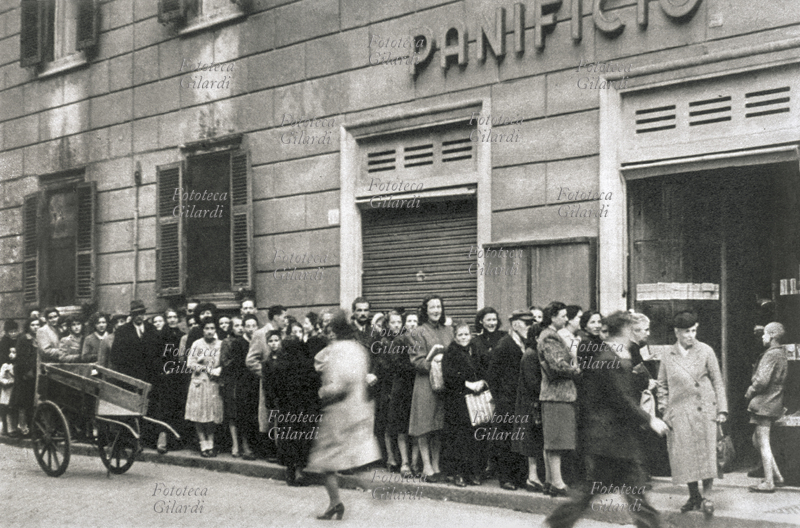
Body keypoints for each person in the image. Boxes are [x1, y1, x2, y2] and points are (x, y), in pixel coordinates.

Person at [545, 311, 670, 528]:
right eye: (632, 329)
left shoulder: (611, 356)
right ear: (624, 331)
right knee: (630, 492)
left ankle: (555, 524)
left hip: (608, 440)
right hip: (613, 440)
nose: (635, 334)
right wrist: (650, 419)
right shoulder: (611, 360)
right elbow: (621, 399)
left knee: (598, 492)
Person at [306, 310, 381, 520]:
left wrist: (324, 392)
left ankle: (336, 502)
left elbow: (341, 383)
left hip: (339, 412)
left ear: (335, 330)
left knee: (327, 462)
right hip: (359, 408)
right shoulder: (359, 348)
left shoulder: (337, 350)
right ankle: (337, 503)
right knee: (356, 458)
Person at [657, 311, 728, 515]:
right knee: (685, 456)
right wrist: (664, 409)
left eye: (694, 330)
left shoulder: (706, 350)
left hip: (705, 409)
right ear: (677, 332)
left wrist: (722, 409)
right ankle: (693, 495)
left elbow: (717, 381)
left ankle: (707, 497)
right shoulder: (668, 355)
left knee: (706, 454)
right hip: (679, 411)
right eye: (687, 331)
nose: (691, 335)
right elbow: (661, 384)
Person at [538, 301, 581, 496]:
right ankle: (557, 483)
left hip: (556, 395)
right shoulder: (550, 337)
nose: (566, 319)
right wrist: (577, 369)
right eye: (562, 315)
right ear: (553, 316)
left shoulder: (549, 335)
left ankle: (550, 481)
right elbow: (557, 365)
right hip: (558, 395)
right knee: (556, 442)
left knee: (553, 441)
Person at [408, 295, 452, 482]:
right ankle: (426, 466)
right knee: (425, 426)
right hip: (426, 383)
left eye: (439, 307)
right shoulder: (417, 332)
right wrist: (434, 360)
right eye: (432, 307)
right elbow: (416, 362)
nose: (436, 310)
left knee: (439, 426)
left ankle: (436, 465)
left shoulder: (449, 330)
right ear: (425, 310)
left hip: (445, 383)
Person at [488, 309, 533, 490]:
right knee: (505, 439)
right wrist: (500, 398)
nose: (530, 327)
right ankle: (505, 477)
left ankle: (519, 476)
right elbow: (492, 375)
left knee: (519, 438)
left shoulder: (525, 344)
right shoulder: (504, 345)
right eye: (526, 324)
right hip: (506, 400)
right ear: (515, 325)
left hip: (519, 400)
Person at [273, 325, 321, 486]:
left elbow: (274, 388)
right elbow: (315, 385)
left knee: (287, 439)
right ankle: (300, 470)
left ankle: (289, 470)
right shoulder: (307, 364)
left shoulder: (279, 365)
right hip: (304, 408)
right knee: (302, 439)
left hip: (286, 409)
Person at [442, 321, 487, 487]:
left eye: (466, 334)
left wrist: (482, 382)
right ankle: (458, 474)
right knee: (459, 439)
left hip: (476, 399)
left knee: (474, 438)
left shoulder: (475, 349)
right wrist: (467, 384)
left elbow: (484, 367)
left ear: (471, 335)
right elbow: (448, 376)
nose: (463, 338)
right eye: (460, 335)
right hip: (457, 400)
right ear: (454, 336)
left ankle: (473, 473)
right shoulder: (451, 352)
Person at [746, 321, 788, 493]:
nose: (762, 337)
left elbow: (762, 380)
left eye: (764, 334)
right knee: (757, 440)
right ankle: (777, 476)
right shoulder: (781, 354)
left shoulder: (770, 355)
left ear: (771, 336)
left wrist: (750, 390)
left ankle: (769, 482)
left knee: (763, 442)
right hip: (773, 400)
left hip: (764, 402)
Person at [514, 318, 546, 493]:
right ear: (535, 337)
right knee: (531, 441)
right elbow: (533, 383)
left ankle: (534, 477)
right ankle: (532, 478)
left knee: (534, 441)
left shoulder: (533, 353)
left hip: (532, 403)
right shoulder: (531, 355)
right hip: (531, 405)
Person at [388, 310, 421, 477]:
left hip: (419, 387)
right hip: (402, 388)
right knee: (402, 427)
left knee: (417, 428)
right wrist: (417, 365)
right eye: (409, 321)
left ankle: (415, 463)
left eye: (415, 321)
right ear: (404, 324)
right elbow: (396, 364)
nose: (412, 324)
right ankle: (405, 463)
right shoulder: (399, 341)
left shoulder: (421, 340)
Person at [185, 319, 223, 457]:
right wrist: (207, 369)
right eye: (207, 328)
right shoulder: (197, 344)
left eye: (212, 328)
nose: (209, 331)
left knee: (211, 414)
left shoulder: (220, 344)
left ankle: (211, 443)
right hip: (199, 382)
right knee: (199, 413)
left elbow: (225, 360)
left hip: (214, 383)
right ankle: (203, 444)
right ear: (203, 330)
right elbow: (190, 363)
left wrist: (220, 369)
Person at [225, 314, 260, 460]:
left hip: (257, 382)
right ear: (244, 328)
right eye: (248, 326)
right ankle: (245, 446)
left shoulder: (258, 341)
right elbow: (236, 366)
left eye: (254, 326)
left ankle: (257, 446)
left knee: (256, 415)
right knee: (245, 415)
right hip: (243, 384)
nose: (251, 329)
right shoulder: (238, 343)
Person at [154, 308, 187, 454]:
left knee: (177, 407)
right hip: (165, 377)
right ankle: (162, 438)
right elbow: (156, 356)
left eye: (175, 317)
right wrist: (163, 370)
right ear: (166, 319)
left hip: (179, 377)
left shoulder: (182, 335)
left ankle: (175, 441)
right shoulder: (160, 336)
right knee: (164, 408)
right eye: (169, 317)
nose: (172, 320)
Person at [110, 301, 162, 383]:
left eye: (141, 313)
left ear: (144, 314)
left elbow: (159, 352)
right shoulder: (122, 331)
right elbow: (115, 356)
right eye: (135, 314)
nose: (138, 316)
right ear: (132, 315)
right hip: (130, 377)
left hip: (150, 377)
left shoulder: (152, 329)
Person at [10, 318, 39, 437]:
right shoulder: (23, 338)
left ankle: (33, 427)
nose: (35, 327)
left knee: (32, 402)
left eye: (38, 325)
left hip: (36, 374)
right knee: (22, 402)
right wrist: (26, 372)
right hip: (25, 375)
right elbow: (21, 357)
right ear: (28, 326)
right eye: (33, 325)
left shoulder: (39, 338)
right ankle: (22, 427)